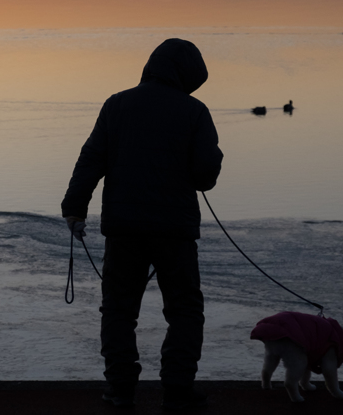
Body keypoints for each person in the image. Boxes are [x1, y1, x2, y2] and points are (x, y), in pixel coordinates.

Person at [61, 38, 223, 411]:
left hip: (124, 229)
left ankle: (120, 388)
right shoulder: (195, 111)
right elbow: (205, 176)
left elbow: (91, 159)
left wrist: (75, 208)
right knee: (184, 309)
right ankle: (178, 387)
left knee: (119, 309)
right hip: (175, 231)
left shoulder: (117, 105)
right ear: (189, 75)